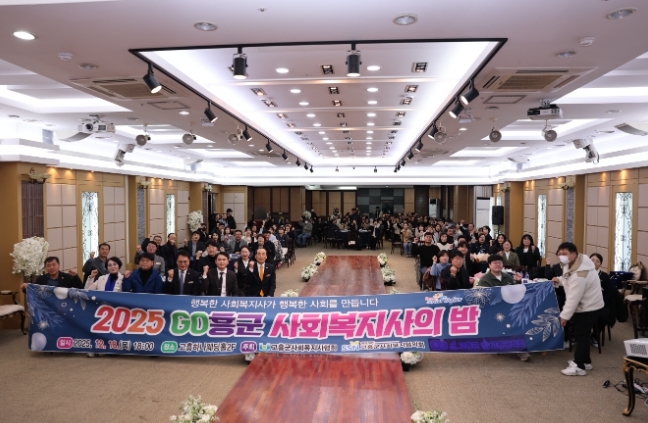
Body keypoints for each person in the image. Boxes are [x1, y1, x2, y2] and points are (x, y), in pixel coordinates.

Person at [552, 242, 604, 376]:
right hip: (586, 304)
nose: (561, 256)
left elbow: (573, 298)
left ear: (573, 254)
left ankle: (579, 366)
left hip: (589, 307)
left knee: (581, 335)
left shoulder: (582, 273)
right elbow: (568, 278)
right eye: (559, 254)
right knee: (583, 334)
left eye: (564, 254)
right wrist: (559, 280)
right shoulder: (573, 263)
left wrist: (564, 316)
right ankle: (586, 361)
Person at [477, 255, 527, 361]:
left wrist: (518, 282)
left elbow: (515, 293)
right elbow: (483, 298)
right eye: (495, 263)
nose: (498, 265)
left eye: (499, 262)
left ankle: (521, 350)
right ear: (489, 265)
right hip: (492, 310)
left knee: (519, 317)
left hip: (508, 308)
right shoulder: (485, 279)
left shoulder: (507, 277)